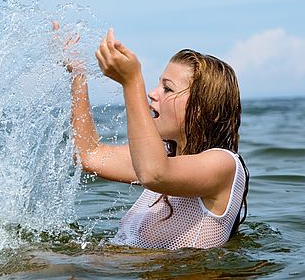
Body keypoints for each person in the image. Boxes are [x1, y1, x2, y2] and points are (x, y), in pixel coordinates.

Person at [62, 26, 249, 250]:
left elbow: (155, 174)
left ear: (200, 109)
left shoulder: (224, 165)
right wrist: (78, 75)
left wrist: (131, 82)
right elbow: (89, 155)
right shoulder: (163, 158)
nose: (153, 93)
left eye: (167, 89)